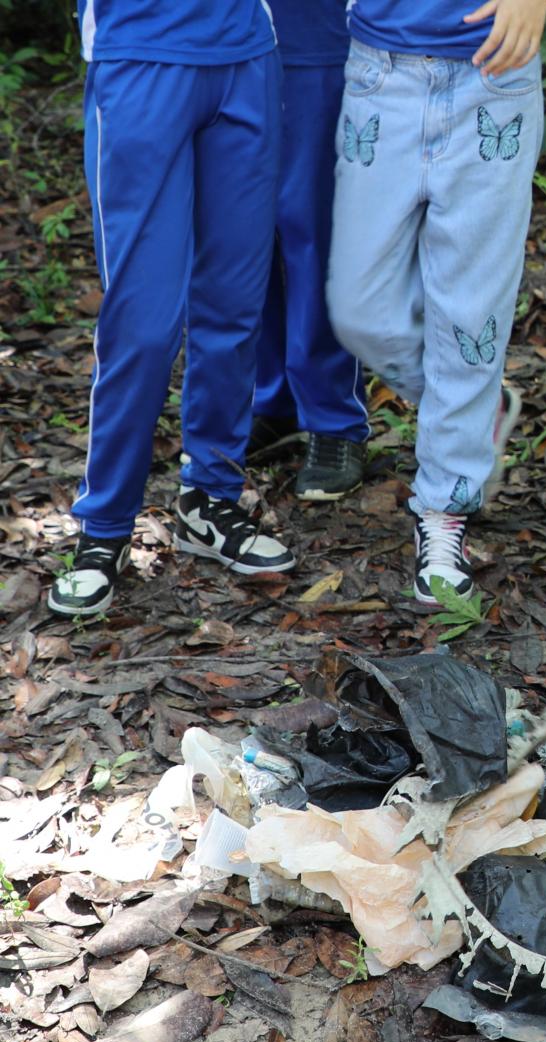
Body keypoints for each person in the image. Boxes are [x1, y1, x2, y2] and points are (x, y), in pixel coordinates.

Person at [49, 0, 294, 618]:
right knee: (143, 323)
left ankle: (209, 499)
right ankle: (103, 528)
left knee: (234, 306)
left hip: (246, 53)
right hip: (140, 54)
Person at [325, 0, 545, 605]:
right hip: (380, 72)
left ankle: (445, 511)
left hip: (495, 73)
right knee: (356, 307)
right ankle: (475, 413)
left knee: (473, 308)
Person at [253, 0, 371, 501]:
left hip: (317, 33)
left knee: (313, 230)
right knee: (241, 234)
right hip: (222, 41)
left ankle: (333, 418)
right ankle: (270, 400)